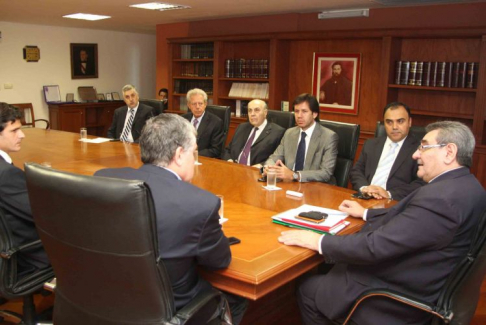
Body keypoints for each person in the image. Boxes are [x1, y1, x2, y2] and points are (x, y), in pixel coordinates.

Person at [278, 121, 486, 324]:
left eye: (423, 146)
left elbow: (374, 247)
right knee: (332, 266)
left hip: (392, 297)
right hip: (425, 278)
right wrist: (366, 214)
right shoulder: (469, 187)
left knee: (308, 288)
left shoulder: (441, 198)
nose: (415, 154)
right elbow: (411, 219)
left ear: (449, 152)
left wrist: (318, 241)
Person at [96, 114, 247, 323]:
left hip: (109, 296)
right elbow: (219, 261)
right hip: (169, 308)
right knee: (237, 296)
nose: (195, 160)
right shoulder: (199, 204)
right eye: (194, 152)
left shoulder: (104, 178)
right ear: (178, 155)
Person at [0, 102, 49, 273]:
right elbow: (43, 214)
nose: (22, 135)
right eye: (14, 130)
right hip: (27, 252)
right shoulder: (6, 174)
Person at [350, 102, 426, 200]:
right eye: (389, 122)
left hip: (395, 202)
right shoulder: (371, 144)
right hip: (365, 198)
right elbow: (356, 171)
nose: (394, 127)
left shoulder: (419, 149)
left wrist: (388, 194)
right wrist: (365, 188)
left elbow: (420, 183)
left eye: (400, 121)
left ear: (409, 122)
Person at [265, 93, 338, 183]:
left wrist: (295, 175)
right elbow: (273, 158)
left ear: (314, 114)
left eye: (304, 111)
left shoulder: (328, 137)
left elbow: (326, 173)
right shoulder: (289, 133)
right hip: (289, 185)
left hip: (314, 188)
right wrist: (269, 168)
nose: (299, 116)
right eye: (296, 111)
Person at [222, 99, 285, 167]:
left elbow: (279, 159)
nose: (252, 114)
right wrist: (229, 160)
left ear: (265, 112)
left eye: (256, 110)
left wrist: (262, 165)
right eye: (250, 110)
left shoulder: (277, 132)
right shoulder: (241, 127)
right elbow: (227, 150)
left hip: (256, 172)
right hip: (234, 169)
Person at [182, 88, 224, 158]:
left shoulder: (216, 122)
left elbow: (215, 150)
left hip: (203, 159)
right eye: (194, 104)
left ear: (205, 104)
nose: (197, 107)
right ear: (188, 105)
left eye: (200, 103)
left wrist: (193, 154)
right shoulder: (183, 120)